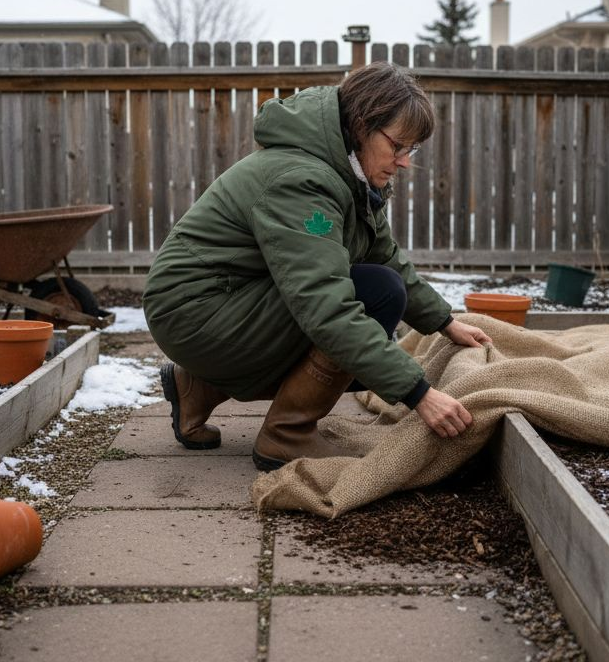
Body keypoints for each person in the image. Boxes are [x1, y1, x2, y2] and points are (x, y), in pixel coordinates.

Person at [143, 61, 492, 471]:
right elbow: (324, 304)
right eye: (398, 145)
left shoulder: (350, 175)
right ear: (362, 125)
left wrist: (445, 322)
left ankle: (196, 389)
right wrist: (419, 394)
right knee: (374, 298)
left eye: (410, 150)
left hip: (220, 304)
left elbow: (385, 255)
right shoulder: (304, 180)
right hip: (196, 311)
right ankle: (286, 435)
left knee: (375, 318)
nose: (404, 162)